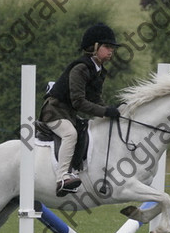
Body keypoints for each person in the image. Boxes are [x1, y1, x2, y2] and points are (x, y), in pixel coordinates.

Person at [39, 23, 121, 197]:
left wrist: (110, 110)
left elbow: (95, 99)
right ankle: (62, 178)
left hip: (69, 114)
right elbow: (78, 102)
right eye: (107, 47)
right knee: (70, 134)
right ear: (94, 47)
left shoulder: (99, 70)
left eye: (112, 47)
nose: (111, 51)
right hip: (54, 111)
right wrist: (105, 112)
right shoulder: (81, 68)